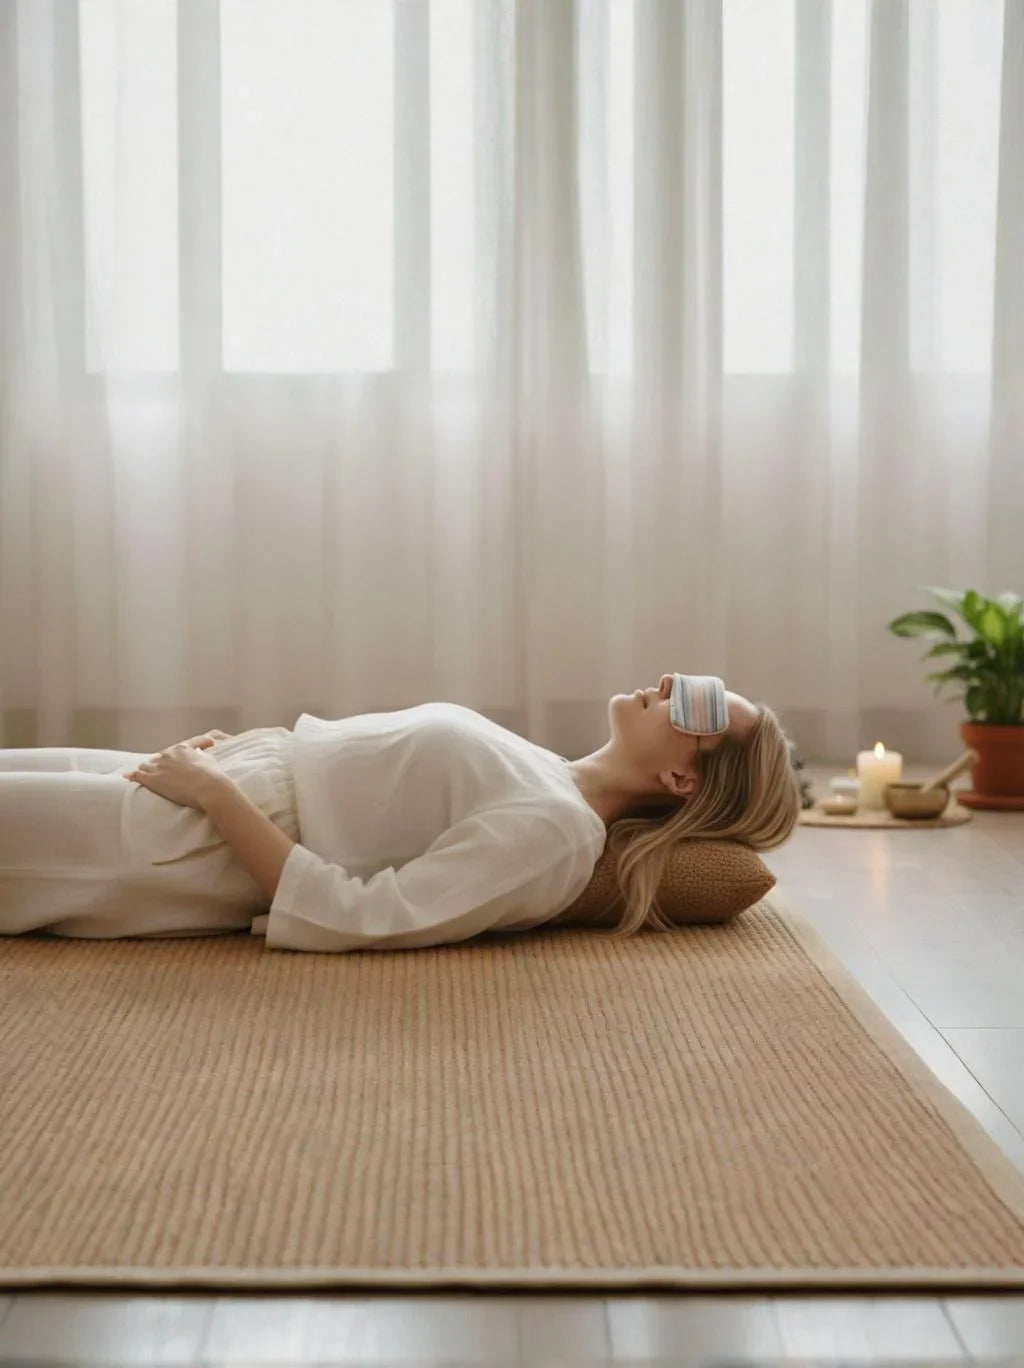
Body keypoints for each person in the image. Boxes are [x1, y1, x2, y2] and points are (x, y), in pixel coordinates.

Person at [0, 674, 801, 951]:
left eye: (695, 704)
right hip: (197, 788)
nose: (669, 681)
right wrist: (229, 759)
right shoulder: (549, 774)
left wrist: (215, 795)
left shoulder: (554, 834)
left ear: (681, 780)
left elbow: (365, 918)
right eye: (692, 677)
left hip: (183, 840)